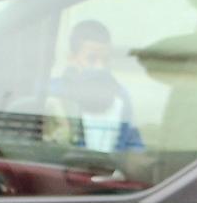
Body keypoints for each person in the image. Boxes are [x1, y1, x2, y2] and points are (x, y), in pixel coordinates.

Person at [44, 19, 145, 154]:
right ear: (72, 59)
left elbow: (134, 145)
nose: (100, 67)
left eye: (105, 60)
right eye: (91, 59)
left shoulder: (120, 95)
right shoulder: (52, 93)